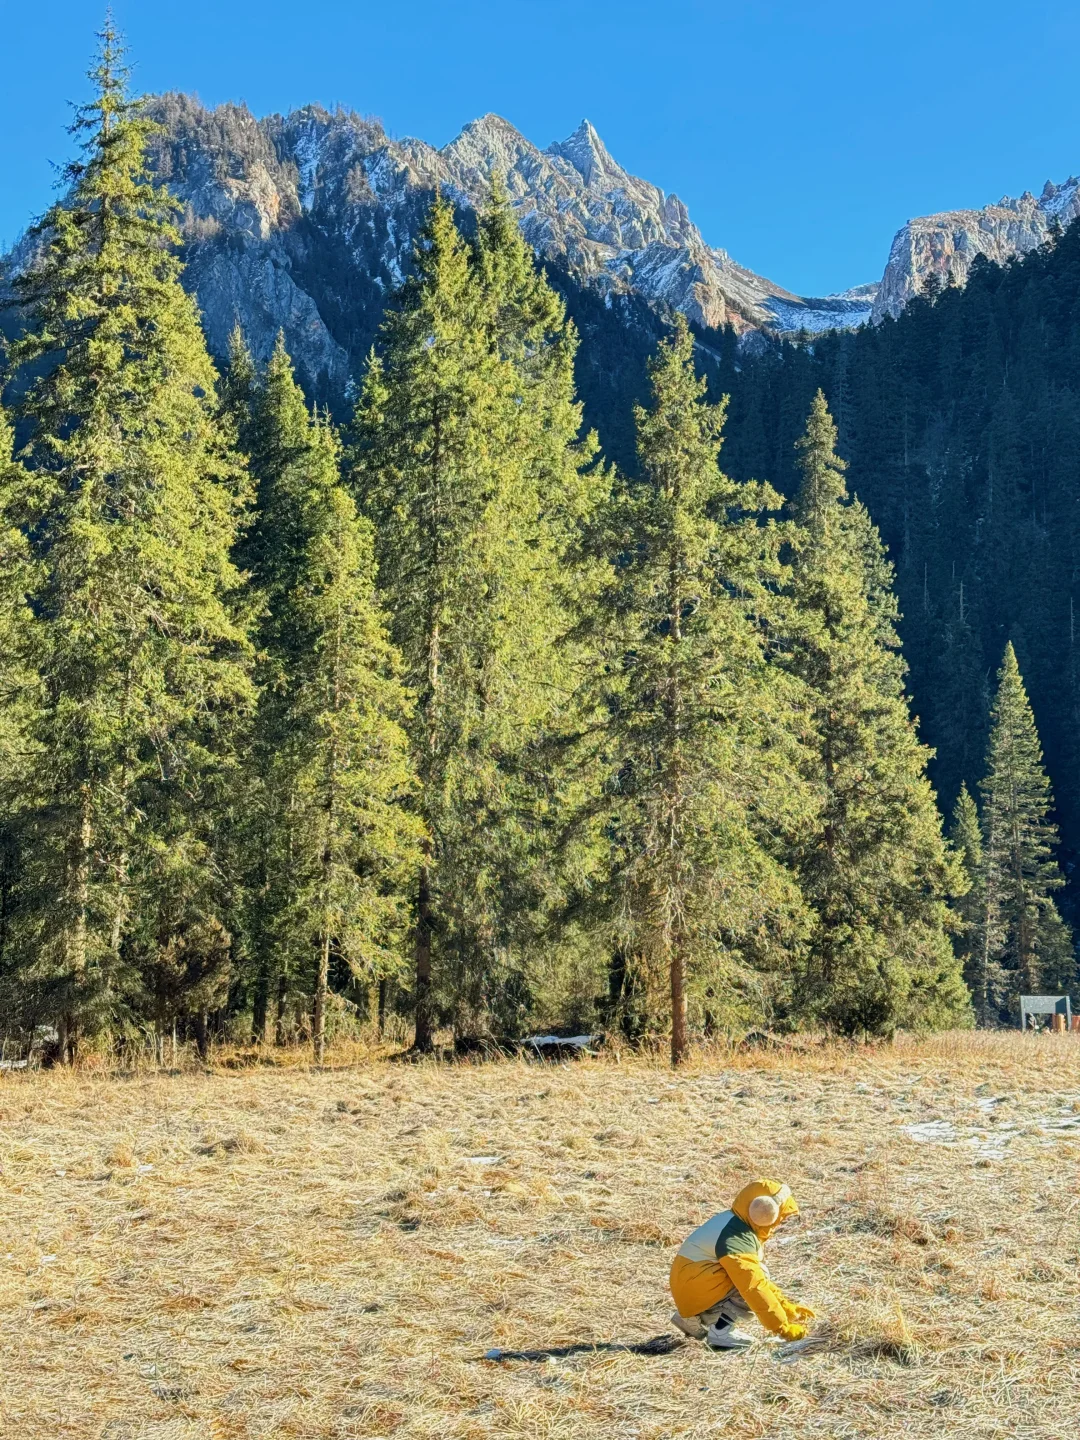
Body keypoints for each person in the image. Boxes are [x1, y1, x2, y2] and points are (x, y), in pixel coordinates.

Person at [669, 1178, 815, 1350]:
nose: (779, 1223)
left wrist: (788, 1309)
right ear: (768, 1212)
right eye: (780, 1217)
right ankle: (722, 1332)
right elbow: (754, 1286)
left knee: (754, 1274)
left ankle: (691, 1318)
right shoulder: (736, 1239)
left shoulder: (733, 1221)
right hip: (697, 1287)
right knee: (754, 1277)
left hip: (691, 1288)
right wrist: (782, 1327)